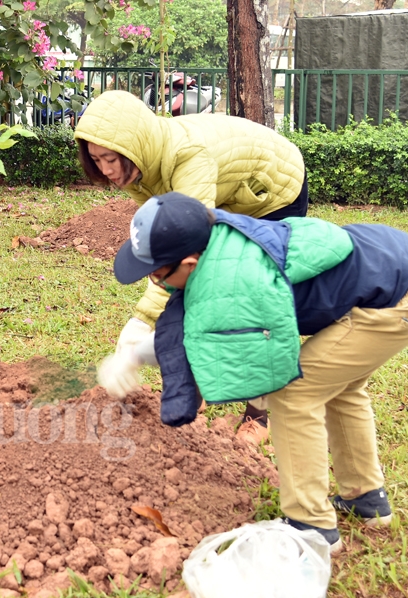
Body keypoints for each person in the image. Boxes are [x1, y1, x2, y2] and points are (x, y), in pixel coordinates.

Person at [101, 191, 408, 553]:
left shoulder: (236, 279)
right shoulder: (219, 241)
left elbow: (200, 336)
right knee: (338, 387)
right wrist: (134, 354)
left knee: (295, 393)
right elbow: (192, 321)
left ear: (189, 262)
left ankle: (311, 527)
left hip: (404, 293)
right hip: (400, 261)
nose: (157, 284)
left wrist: (133, 356)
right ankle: (367, 501)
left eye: (158, 275)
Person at [74, 90, 308, 445]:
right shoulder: (141, 168)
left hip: (271, 192)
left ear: (132, 147)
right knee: (195, 288)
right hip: (224, 197)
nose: (105, 170)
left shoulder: (189, 161)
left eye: (110, 159)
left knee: (247, 298)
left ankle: (258, 413)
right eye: (97, 160)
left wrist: (142, 320)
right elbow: (164, 245)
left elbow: (180, 249)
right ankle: (194, 390)